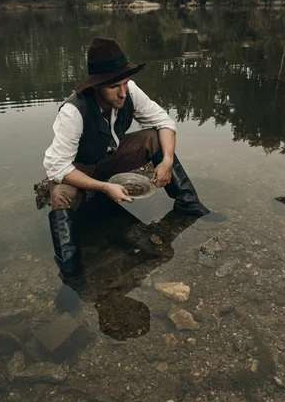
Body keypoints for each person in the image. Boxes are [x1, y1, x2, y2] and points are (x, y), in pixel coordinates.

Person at [43, 36, 222, 288]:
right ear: (96, 86)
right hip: (79, 168)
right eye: (114, 86)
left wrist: (167, 161)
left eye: (125, 83)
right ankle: (71, 274)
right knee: (60, 193)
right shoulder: (73, 112)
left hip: (109, 158)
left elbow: (164, 122)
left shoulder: (129, 91)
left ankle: (189, 205)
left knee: (154, 139)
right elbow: (57, 168)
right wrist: (104, 187)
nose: (123, 92)